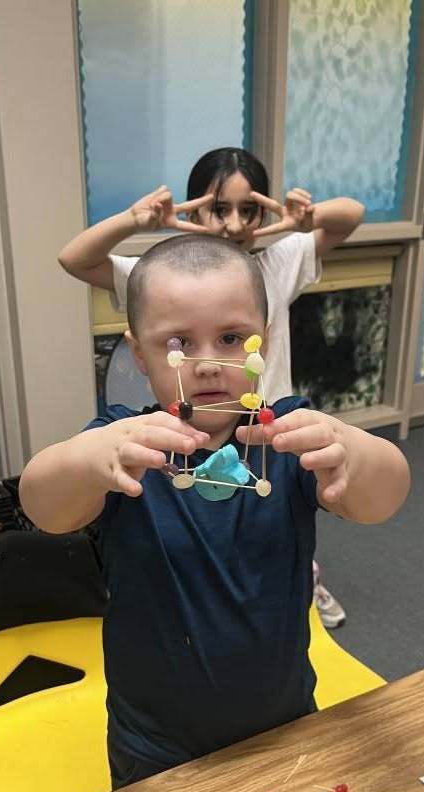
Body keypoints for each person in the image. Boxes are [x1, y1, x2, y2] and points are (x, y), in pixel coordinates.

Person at [21, 235, 410, 788]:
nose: (205, 365)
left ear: (266, 342)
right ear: (139, 353)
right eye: (179, 343)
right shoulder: (125, 447)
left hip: (284, 721)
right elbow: (43, 506)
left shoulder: (291, 437)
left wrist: (353, 449)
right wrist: (90, 458)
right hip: (155, 744)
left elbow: (384, 498)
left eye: (231, 339)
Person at [58, 147, 364, 629]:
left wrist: (301, 218)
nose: (236, 223)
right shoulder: (161, 277)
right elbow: (74, 258)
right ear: (195, 208)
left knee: (281, 516)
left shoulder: (274, 266)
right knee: (199, 522)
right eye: (220, 208)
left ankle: (303, 578)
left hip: (265, 424)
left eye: (249, 209)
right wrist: (136, 221)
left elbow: (350, 217)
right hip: (190, 422)